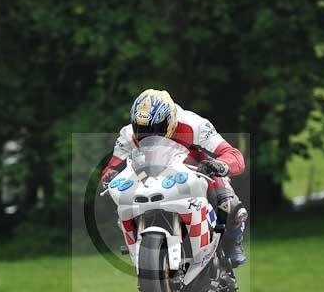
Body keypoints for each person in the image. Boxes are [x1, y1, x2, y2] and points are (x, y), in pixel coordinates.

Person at [101, 89, 248, 266]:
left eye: (156, 128)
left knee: (227, 200)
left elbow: (234, 155)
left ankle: (232, 242)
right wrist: (110, 177)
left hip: (192, 167)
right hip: (147, 175)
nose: (149, 133)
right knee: (124, 204)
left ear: (170, 120)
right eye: (141, 128)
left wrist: (221, 165)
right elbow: (111, 168)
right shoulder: (127, 135)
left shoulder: (194, 124)